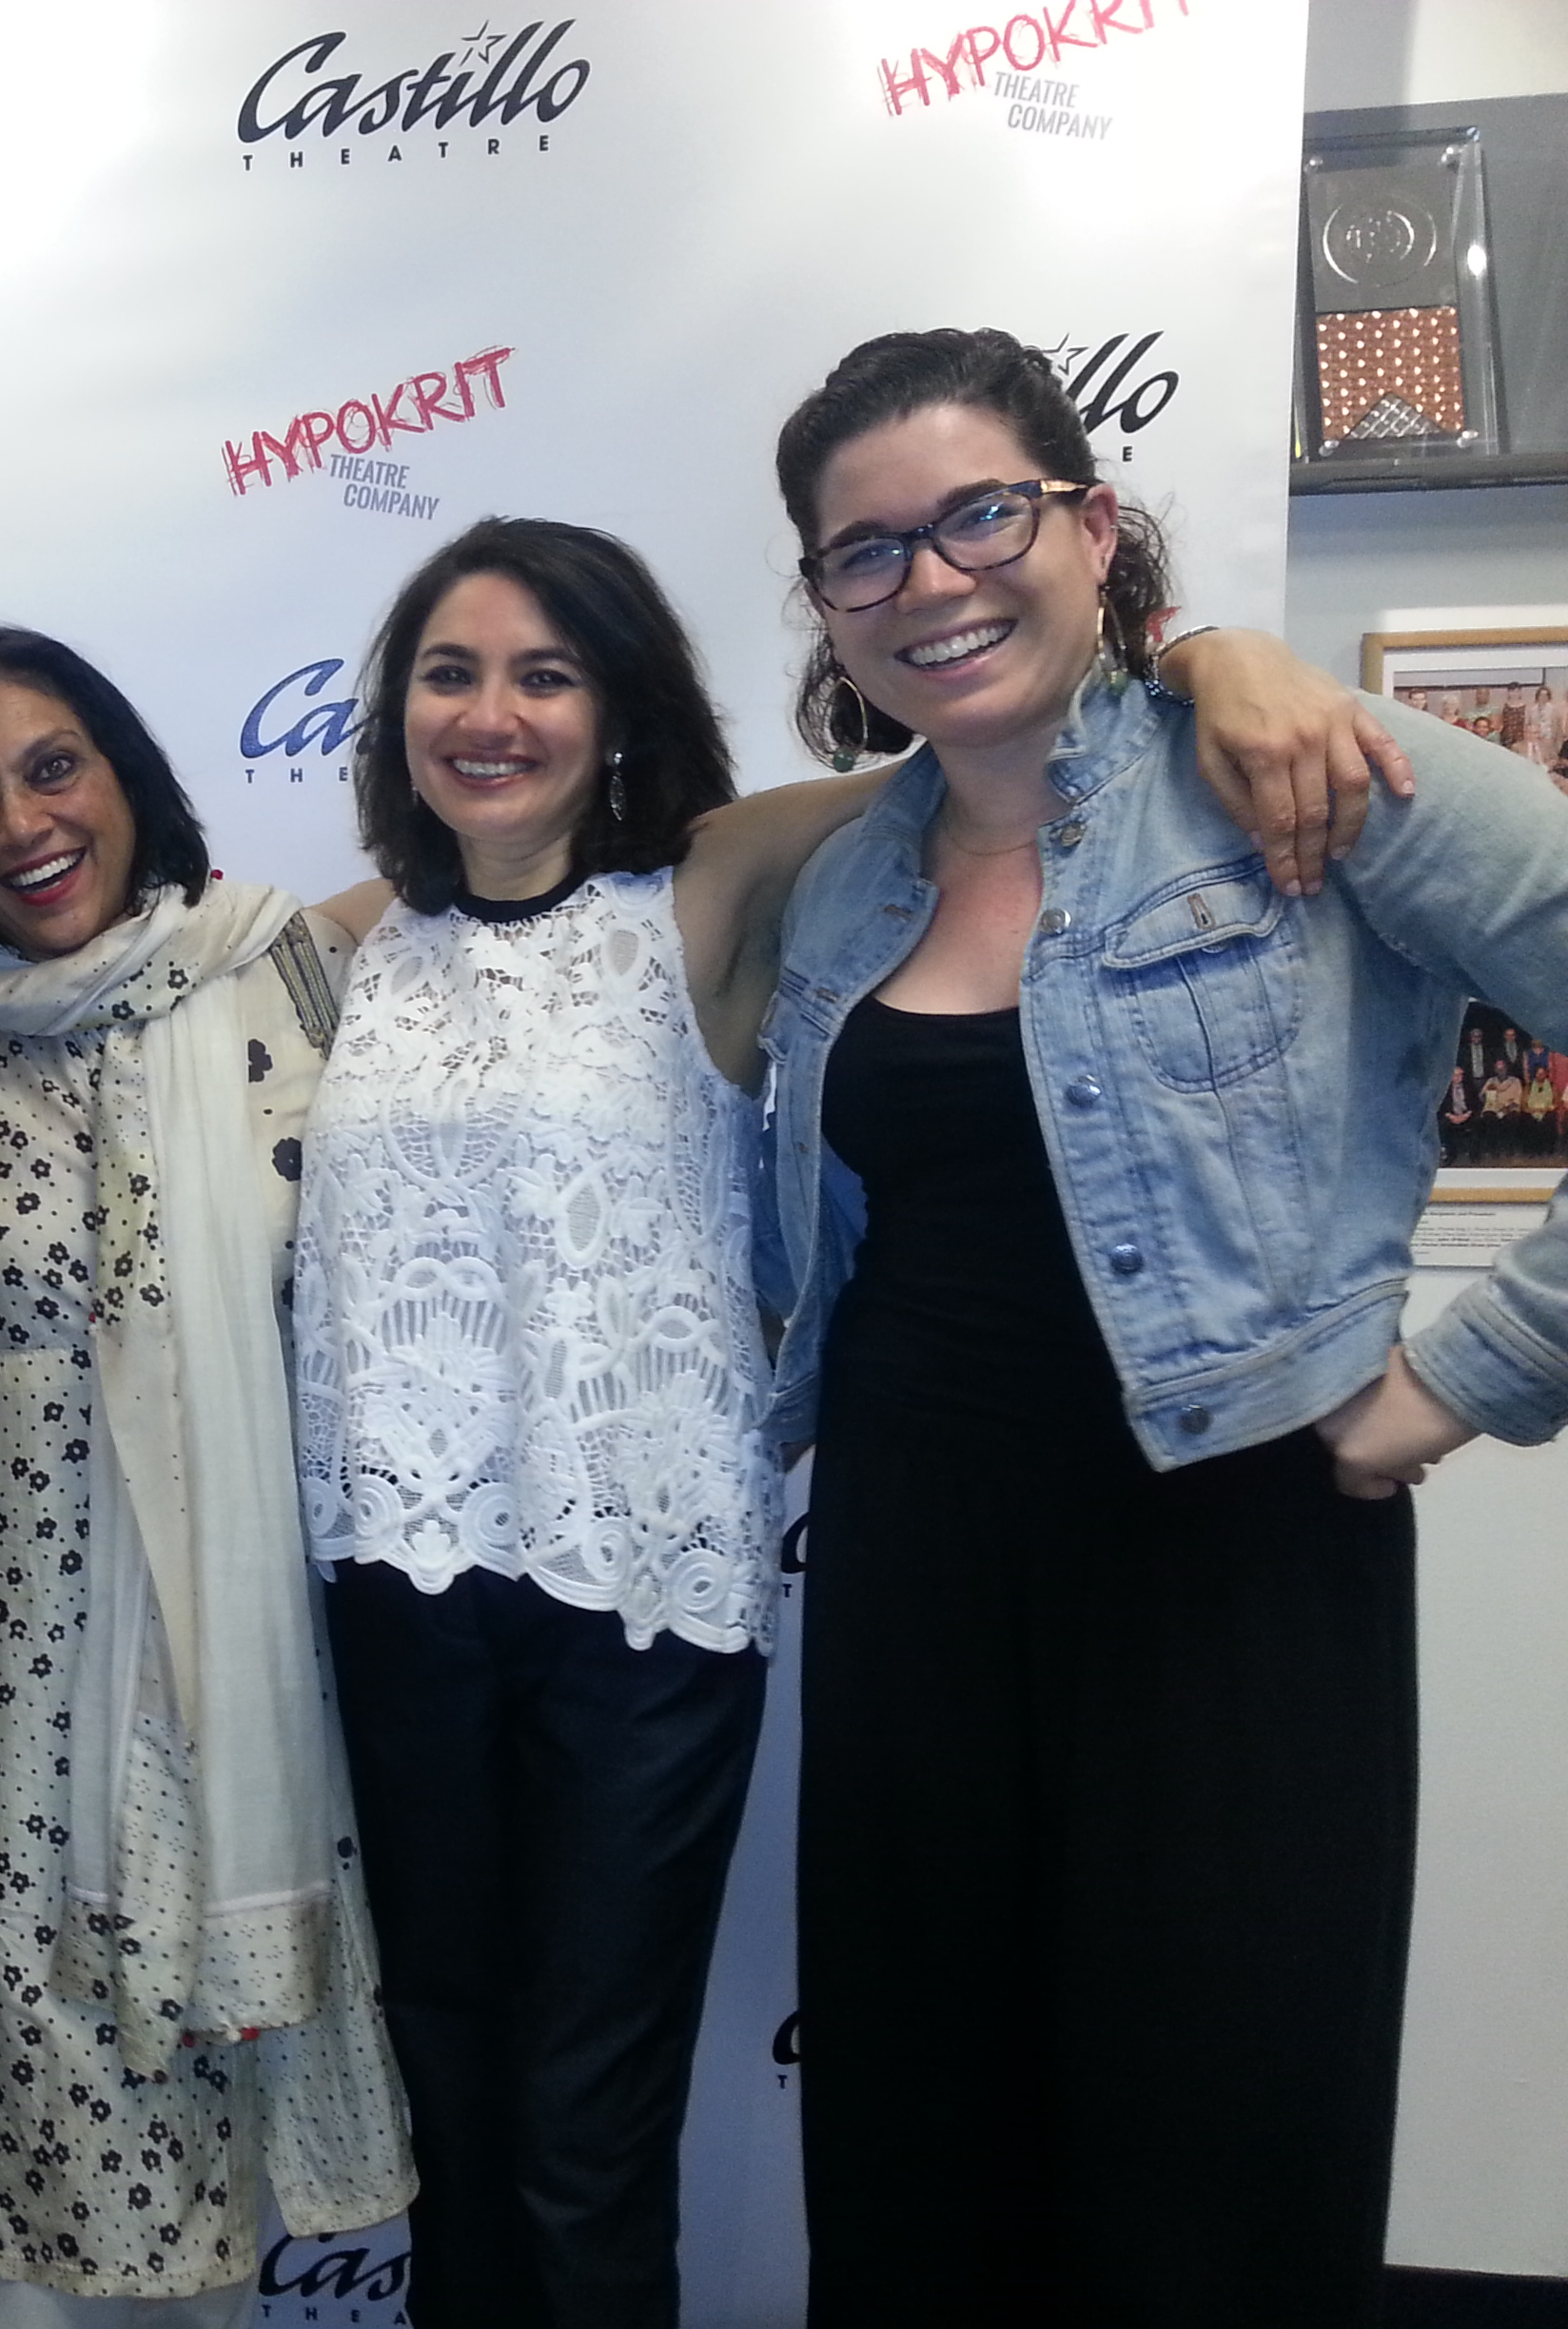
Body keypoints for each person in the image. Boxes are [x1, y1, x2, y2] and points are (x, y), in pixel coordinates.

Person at [285, 519, 1374, 2329]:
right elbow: (121, 966)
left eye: (543, 673)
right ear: (394, 707)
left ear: (619, 707)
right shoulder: (342, 945)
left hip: (639, 1612)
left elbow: (997, 732)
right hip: (401, 1599)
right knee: (446, 2099)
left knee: (577, 2126)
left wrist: (1216, 657)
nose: (488, 714)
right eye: (448, 672)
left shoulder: (715, 880)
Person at [761, 326, 1568, 2326]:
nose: (930, 580)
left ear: (1092, 525)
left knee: (1213, 2166)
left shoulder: (1299, 779)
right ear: (826, 607)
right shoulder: (847, 881)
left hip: (1229, 1571)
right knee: (924, 2155)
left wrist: (1466, 1379)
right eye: (866, 552)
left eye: (979, 516)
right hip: (910, 1584)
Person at [0, 627, 416, 2325]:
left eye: (50, 766)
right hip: (17, 1689)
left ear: (122, 773)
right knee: (43, 2102)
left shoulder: (283, 970)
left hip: (248, 1661)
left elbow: (596, 837)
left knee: (211, 2096)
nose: (19, 820)